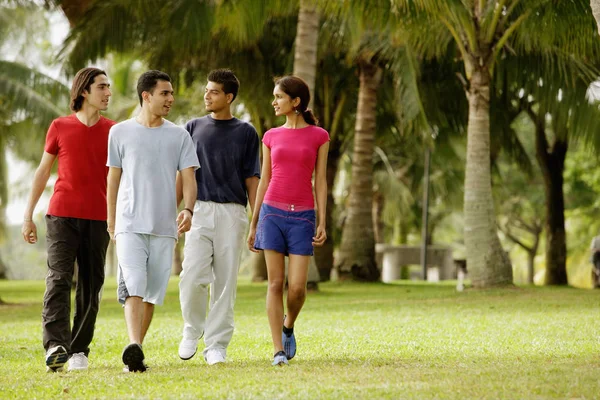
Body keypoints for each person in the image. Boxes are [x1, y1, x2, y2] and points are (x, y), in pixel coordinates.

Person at [21, 67, 114, 372]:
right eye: (102, 87)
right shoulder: (60, 126)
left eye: (109, 87)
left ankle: (78, 349)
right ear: (84, 91)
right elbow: (43, 171)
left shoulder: (114, 131)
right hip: (61, 215)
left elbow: (120, 178)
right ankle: (56, 345)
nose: (108, 92)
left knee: (91, 283)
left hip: (99, 217)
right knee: (59, 279)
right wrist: (28, 215)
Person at [107, 70, 199, 372]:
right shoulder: (119, 132)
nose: (171, 99)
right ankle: (134, 344)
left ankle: (137, 351)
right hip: (129, 224)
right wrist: (111, 220)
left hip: (164, 228)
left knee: (151, 294)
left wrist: (187, 209)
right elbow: (113, 178)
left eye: (171, 93)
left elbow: (189, 178)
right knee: (133, 286)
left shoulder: (179, 135)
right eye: (165, 93)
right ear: (146, 96)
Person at [178, 69, 260, 365]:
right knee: (191, 276)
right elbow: (184, 174)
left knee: (225, 281)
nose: (207, 95)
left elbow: (253, 179)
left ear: (229, 97)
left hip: (233, 212)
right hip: (199, 209)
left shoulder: (247, 133)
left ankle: (217, 345)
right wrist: (173, 210)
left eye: (213, 91)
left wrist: (255, 221)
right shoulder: (192, 127)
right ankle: (191, 328)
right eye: (207, 90)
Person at [247, 76, 329, 366]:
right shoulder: (270, 136)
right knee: (274, 283)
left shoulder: (319, 136)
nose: (274, 102)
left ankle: (289, 324)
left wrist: (321, 219)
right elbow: (265, 179)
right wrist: (254, 222)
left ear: (296, 102)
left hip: (303, 216)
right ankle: (277, 349)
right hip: (272, 212)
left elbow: (320, 180)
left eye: (279, 97)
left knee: (296, 288)